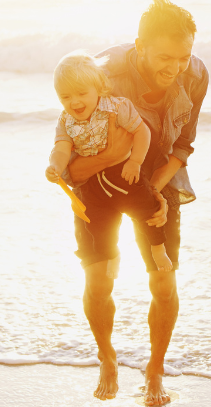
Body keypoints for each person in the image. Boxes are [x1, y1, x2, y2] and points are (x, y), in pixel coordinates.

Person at [61, 0, 208, 406]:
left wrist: (156, 189)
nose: (174, 67)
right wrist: (112, 158)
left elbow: (183, 143)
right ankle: (107, 357)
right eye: (165, 56)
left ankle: (155, 367)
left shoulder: (195, 75)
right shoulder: (100, 74)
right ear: (139, 45)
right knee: (100, 279)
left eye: (183, 56)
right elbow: (71, 169)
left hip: (157, 179)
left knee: (163, 280)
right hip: (98, 185)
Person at [45, 52, 172, 276]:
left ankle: (158, 248)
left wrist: (135, 161)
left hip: (122, 172)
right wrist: (54, 166)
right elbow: (61, 148)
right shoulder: (65, 121)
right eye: (65, 97)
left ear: (99, 88)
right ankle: (112, 254)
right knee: (96, 223)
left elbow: (141, 131)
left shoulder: (116, 108)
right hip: (91, 181)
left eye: (82, 93)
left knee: (147, 208)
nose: (74, 102)